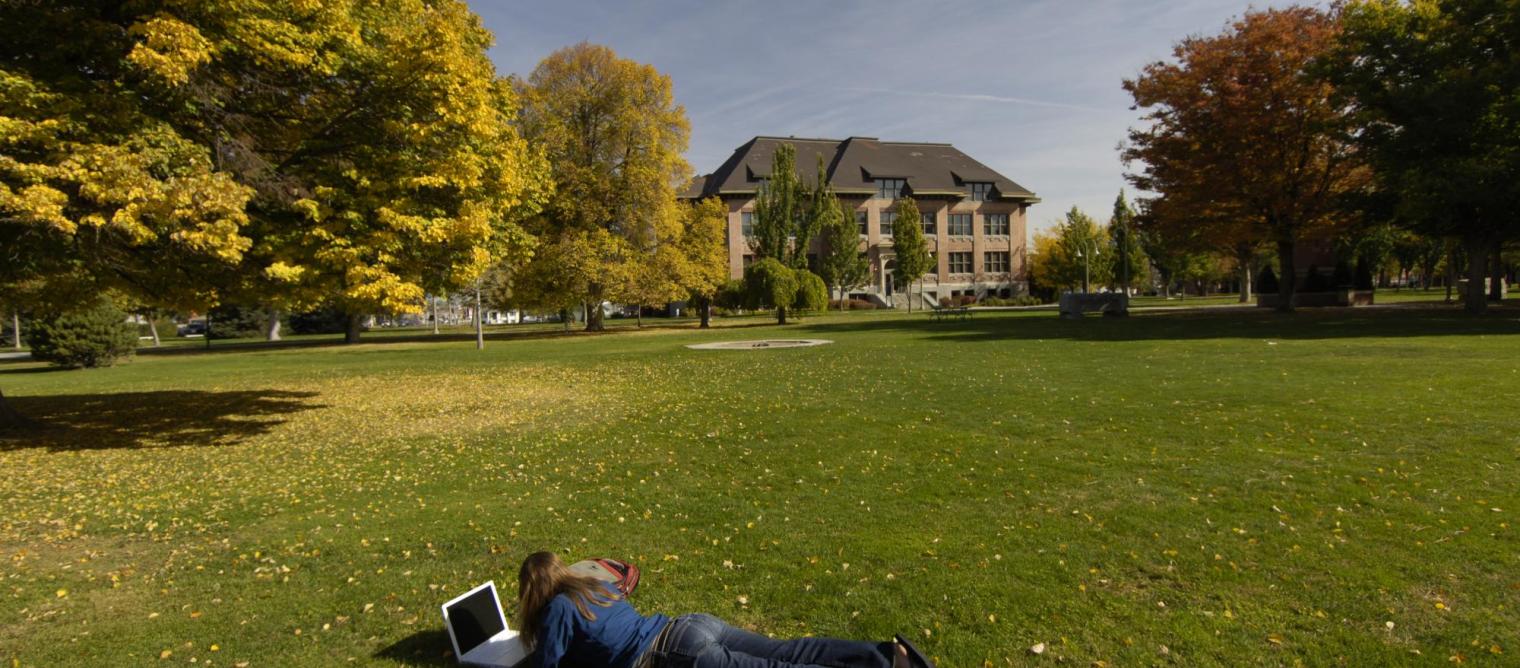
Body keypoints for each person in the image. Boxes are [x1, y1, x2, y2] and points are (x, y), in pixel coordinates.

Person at [516, 551, 929, 668]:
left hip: (670, 655)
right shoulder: (594, 583)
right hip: (689, 624)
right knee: (788, 650)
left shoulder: (556, 611)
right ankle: (885, 656)